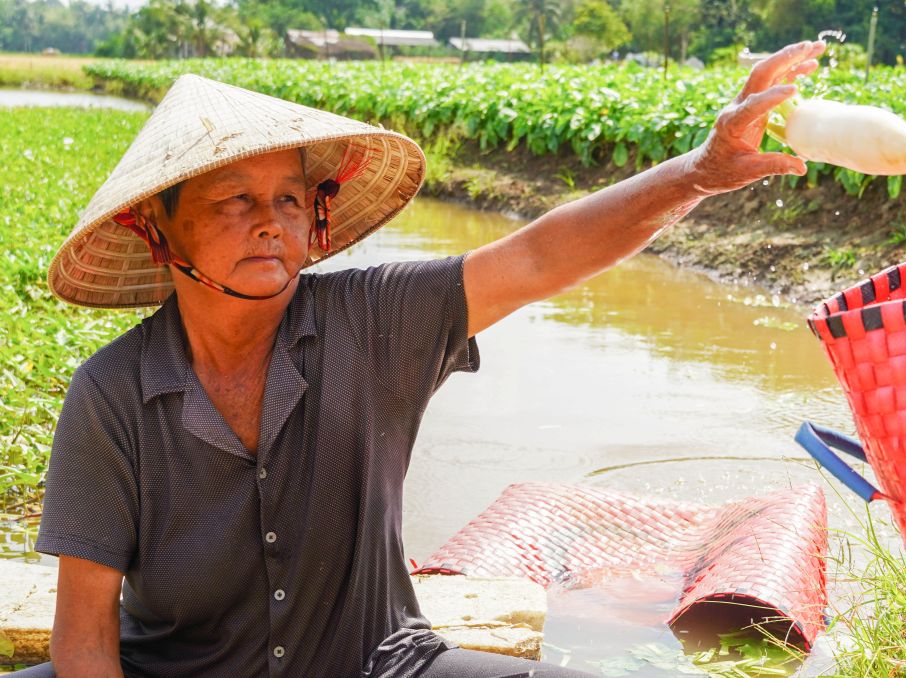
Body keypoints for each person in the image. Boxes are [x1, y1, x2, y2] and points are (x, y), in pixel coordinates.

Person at [15, 40, 825, 677]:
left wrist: (699, 174)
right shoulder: (114, 395)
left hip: (381, 666)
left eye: (288, 200)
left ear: (315, 224)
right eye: (233, 200)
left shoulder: (372, 320)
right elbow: (86, 642)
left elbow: (540, 257)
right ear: (161, 233)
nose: (268, 221)